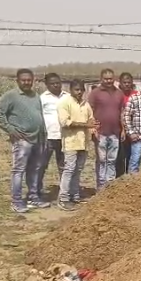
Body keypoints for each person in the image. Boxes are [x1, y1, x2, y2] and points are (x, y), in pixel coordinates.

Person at [0, 68, 51, 212]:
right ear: (17, 81)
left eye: (29, 80)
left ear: (33, 80)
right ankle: (16, 201)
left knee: (35, 169)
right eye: (23, 80)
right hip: (22, 140)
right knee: (18, 170)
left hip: (38, 138)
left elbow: (40, 116)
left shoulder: (35, 96)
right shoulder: (11, 96)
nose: (26, 82)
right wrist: (10, 129)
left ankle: (33, 198)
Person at [56, 80, 98, 211]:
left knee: (78, 170)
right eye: (76, 89)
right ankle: (63, 198)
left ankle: (74, 195)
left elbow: (91, 118)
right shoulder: (64, 103)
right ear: (71, 90)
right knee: (69, 169)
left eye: (81, 90)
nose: (79, 92)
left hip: (83, 142)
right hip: (70, 142)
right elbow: (65, 122)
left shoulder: (85, 104)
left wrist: (92, 124)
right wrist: (86, 125)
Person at [88, 68, 124, 189]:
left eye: (111, 78)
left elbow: (122, 112)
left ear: (114, 79)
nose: (109, 81)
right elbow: (89, 112)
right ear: (101, 79)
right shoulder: (95, 93)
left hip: (115, 132)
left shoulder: (119, 93)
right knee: (102, 160)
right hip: (101, 133)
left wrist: (123, 129)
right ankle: (101, 187)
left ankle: (110, 187)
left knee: (112, 160)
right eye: (106, 78)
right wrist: (92, 128)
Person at [38, 73, 68, 196]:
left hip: (64, 137)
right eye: (52, 83)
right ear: (47, 85)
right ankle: (36, 191)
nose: (56, 85)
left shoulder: (67, 97)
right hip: (47, 137)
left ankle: (64, 192)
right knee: (41, 165)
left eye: (58, 82)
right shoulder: (42, 98)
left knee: (64, 166)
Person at [116, 72, 139, 178]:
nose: (126, 84)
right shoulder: (117, 94)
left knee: (132, 156)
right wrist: (123, 130)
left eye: (129, 82)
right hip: (120, 129)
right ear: (120, 83)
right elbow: (120, 112)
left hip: (134, 130)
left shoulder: (136, 95)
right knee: (120, 156)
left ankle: (130, 179)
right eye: (124, 82)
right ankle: (120, 179)